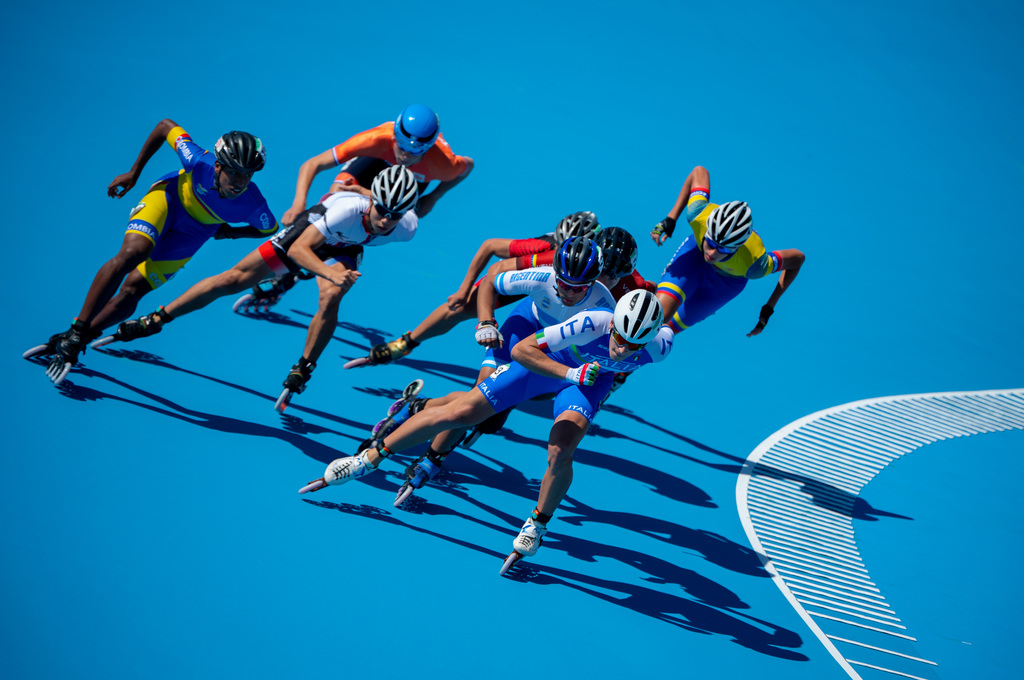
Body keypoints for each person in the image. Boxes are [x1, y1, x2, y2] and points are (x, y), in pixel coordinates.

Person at [299, 289, 672, 566]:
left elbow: (670, 318)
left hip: (585, 386)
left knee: (561, 449)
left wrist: (589, 379)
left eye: (633, 343)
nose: (622, 348)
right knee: (464, 413)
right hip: (548, 366)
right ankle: (369, 458)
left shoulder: (660, 346)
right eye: (619, 337)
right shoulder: (591, 322)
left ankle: (536, 525)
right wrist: (571, 371)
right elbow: (524, 350)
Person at [100, 166, 420, 407]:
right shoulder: (346, 210)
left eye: (395, 215)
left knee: (331, 296)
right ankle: (157, 319)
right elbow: (299, 250)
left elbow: (423, 206)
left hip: (345, 246)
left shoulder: (405, 227)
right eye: (382, 210)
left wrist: (333, 278)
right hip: (310, 233)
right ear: (372, 200)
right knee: (233, 280)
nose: (385, 221)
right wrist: (330, 272)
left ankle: (303, 368)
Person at [29, 119, 276, 384]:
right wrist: (134, 172)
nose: (241, 181)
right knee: (133, 253)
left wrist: (226, 231)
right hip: (169, 200)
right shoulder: (197, 160)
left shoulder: (254, 204)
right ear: (218, 165)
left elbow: (268, 230)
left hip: (194, 233)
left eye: (248, 174)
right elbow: (164, 126)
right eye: (235, 172)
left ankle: (76, 340)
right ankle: (77, 329)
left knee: (134, 289)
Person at [236, 105, 474, 313]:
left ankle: (302, 269)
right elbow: (313, 164)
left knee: (395, 216)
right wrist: (298, 204)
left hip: (409, 180)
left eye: (414, 153)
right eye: (401, 147)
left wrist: (435, 196)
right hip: (374, 163)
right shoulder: (375, 139)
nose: (405, 156)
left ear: (428, 148)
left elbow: (467, 167)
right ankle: (305, 260)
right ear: (395, 136)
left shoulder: (445, 164)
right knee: (336, 193)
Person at [358, 211, 601, 366]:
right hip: (529, 278)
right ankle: (406, 343)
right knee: (460, 307)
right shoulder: (542, 247)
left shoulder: (597, 268)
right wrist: (465, 290)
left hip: (572, 297)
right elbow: (490, 248)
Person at [650, 165, 805, 336]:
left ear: (736, 249)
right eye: (710, 242)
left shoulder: (755, 264)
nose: (713, 252)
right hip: (695, 257)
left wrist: (769, 307)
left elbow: (798, 258)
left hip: (725, 283)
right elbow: (699, 171)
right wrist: (671, 218)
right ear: (707, 230)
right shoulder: (698, 213)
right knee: (655, 319)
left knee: (666, 331)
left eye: (722, 249)